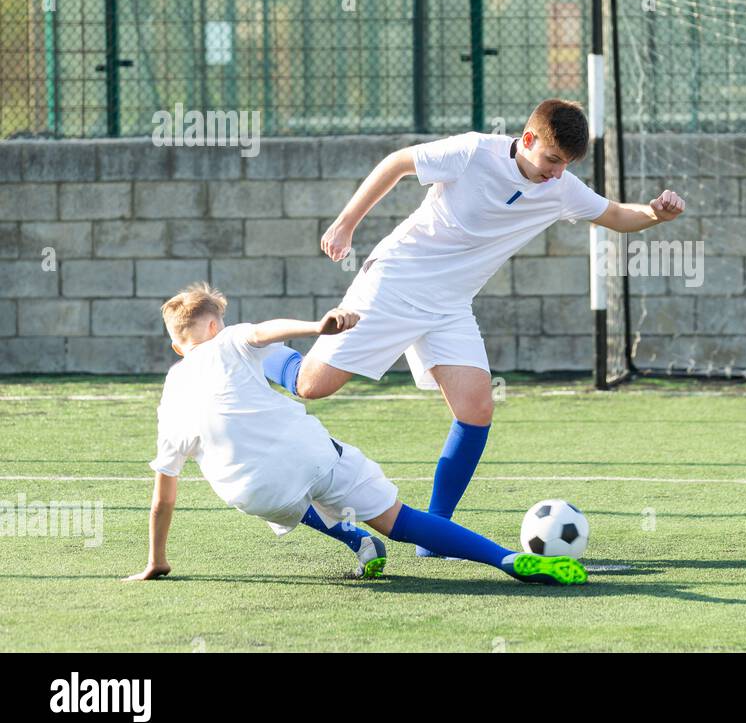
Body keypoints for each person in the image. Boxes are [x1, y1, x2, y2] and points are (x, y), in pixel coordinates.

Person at [257, 99, 684, 556]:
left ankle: (434, 530)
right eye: (552, 160)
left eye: (567, 165)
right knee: (312, 386)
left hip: (450, 307)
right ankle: (255, 350)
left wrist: (656, 212)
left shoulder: (561, 188)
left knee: (476, 409)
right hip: (395, 284)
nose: (557, 173)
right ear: (527, 140)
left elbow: (617, 215)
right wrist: (345, 224)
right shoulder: (472, 151)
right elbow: (397, 163)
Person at [124, 282, 586, 586]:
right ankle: (504, 559)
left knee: (282, 495)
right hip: (312, 456)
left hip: (256, 493)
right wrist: (316, 327)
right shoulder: (228, 339)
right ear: (212, 327)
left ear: (175, 345)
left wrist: (157, 560)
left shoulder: (170, 396)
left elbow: (164, 494)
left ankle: (357, 541)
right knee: (398, 519)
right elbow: (265, 332)